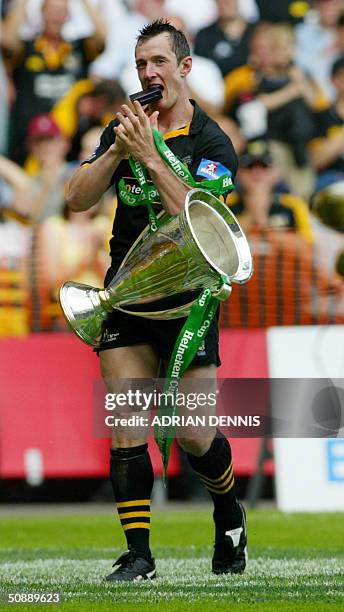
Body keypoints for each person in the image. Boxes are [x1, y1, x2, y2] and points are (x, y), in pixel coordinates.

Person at [66, 20, 247, 581]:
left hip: (188, 300)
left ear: (185, 67)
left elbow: (197, 218)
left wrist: (148, 155)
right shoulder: (125, 129)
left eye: (159, 63)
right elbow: (75, 198)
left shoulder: (212, 141)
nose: (148, 74)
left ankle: (228, 511)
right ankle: (139, 555)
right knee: (125, 420)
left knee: (194, 433)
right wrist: (115, 153)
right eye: (140, 64)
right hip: (126, 292)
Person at [2, 0, 105, 165]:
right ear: (42, 13)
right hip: (27, 150)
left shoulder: (79, 49)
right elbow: (7, 42)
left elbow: (102, 38)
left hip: (70, 151)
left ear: (68, 16)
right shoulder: (25, 49)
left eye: (62, 11)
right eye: (51, 10)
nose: (56, 16)